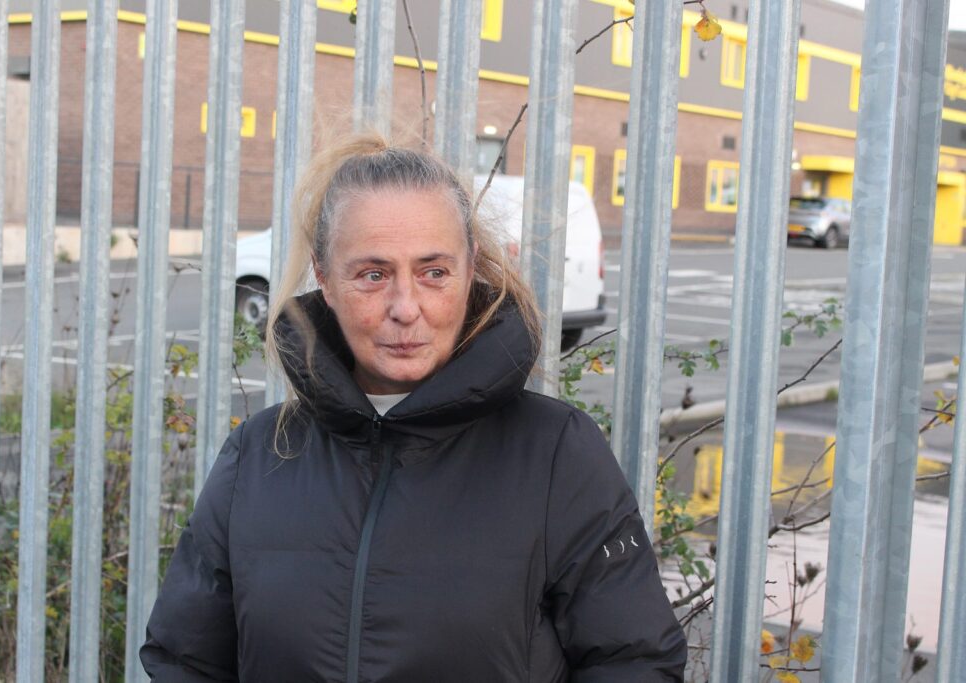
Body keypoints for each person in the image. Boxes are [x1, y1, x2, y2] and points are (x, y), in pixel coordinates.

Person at [141, 133, 686, 681]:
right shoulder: (258, 457)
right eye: (372, 275)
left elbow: (634, 661)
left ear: (470, 271)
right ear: (325, 279)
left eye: (433, 272)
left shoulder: (555, 454)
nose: (406, 308)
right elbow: (184, 660)